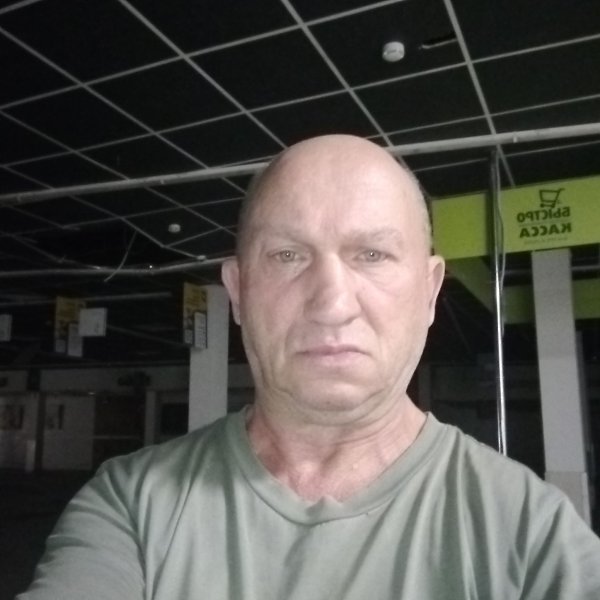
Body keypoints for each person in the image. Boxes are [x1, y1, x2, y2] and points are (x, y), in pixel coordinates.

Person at [19, 135, 600, 599]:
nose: (332, 302)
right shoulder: (132, 507)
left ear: (429, 292)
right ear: (238, 292)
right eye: (288, 255)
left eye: (371, 254)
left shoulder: (534, 536)